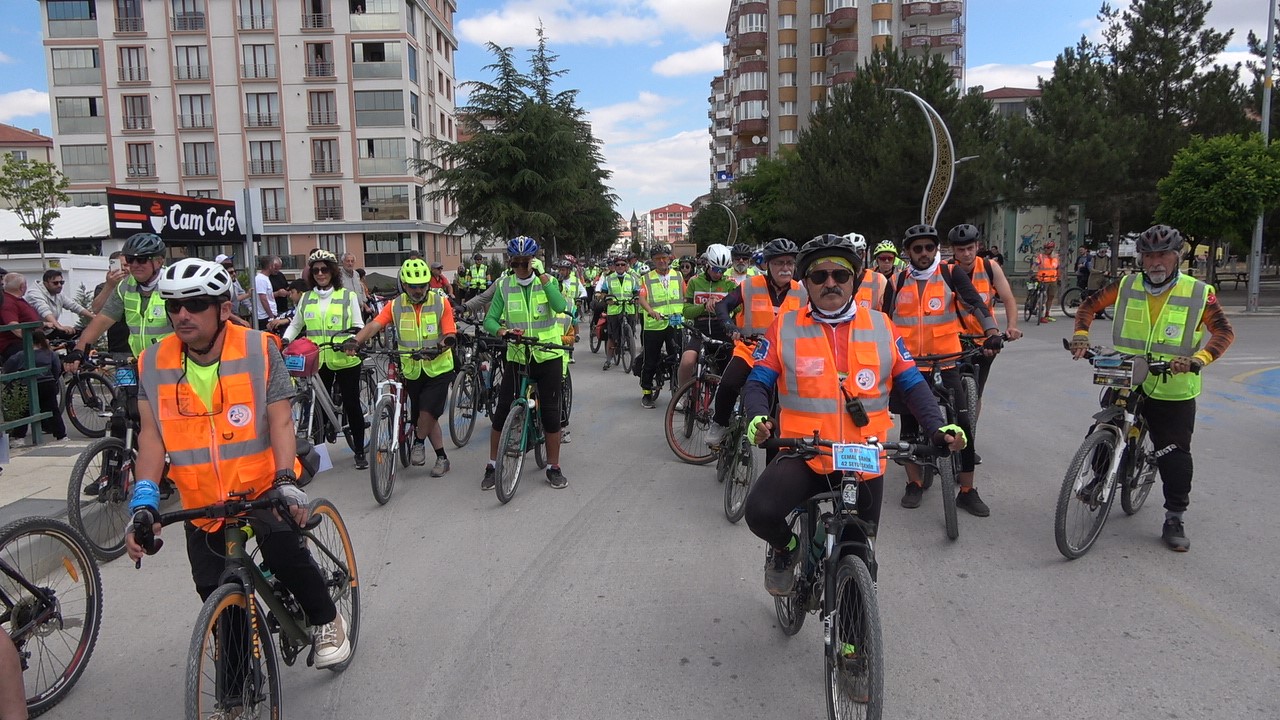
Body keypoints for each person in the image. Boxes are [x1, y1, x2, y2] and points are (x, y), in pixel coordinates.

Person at [124, 257, 350, 673]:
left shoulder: (259, 348)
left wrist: (285, 480)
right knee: (214, 589)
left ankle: (327, 620)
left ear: (224, 309)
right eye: (173, 306)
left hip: (263, 484)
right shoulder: (152, 363)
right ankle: (235, 694)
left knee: (284, 552)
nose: (182, 315)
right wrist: (144, 501)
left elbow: (280, 420)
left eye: (194, 304)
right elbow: (151, 437)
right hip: (203, 498)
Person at [741, 233, 965, 595]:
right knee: (760, 512)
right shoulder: (784, 326)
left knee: (859, 555)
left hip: (864, 457)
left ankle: (853, 643)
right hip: (806, 454)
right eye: (819, 276)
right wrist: (756, 416)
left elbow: (912, 385)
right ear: (807, 284)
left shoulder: (881, 326)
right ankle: (787, 550)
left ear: (854, 280)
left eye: (840, 276)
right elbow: (759, 380)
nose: (831, 283)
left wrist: (939, 428)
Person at [1070, 225, 1234, 552]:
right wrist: (1081, 336)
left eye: (1163, 255)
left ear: (1177, 257)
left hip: (1173, 385)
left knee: (1173, 454)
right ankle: (1098, 478)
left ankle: (1175, 516)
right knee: (1104, 427)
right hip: (1126, 373)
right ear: (1142, 258)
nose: (1156, 261)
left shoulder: (1198, 292)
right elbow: (1088, 307)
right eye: (1149, 255)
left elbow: (1223, 333)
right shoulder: (1127, 285)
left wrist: (1198, 359)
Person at [889, 224, 1003, 516]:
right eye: (918, 249)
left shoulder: (951, 274)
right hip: (909, 366)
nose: (924, 253)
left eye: (929, 247)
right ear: (908, 252)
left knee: (962, 424)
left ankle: (967, 490)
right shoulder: (897, 280)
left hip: (946, 362)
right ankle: (914, 482)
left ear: (936, 249)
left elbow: (976, 303)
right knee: (909, 428)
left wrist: (991, 330)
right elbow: (884, 320)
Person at [348, 259, 456, 476]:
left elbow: (450, 334)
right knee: (426, 416)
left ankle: (417, 441)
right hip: (412, 369)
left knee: (427, 411)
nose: (418, 290)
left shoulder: (440, 302)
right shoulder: (396, 305)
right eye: (412, 286)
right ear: (404, 285)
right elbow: (374, 325)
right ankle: (442, 458)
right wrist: (355, 341)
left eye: (422, 285)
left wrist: (440, 346)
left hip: (438, 368)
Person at [481, 236, 568, 490]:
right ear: (510, 262)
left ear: (534, 261)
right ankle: (492, 465)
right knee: (501, 413)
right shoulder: (505, 285)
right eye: (516, 263)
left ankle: (553, 467)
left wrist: (542, 276)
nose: (521, 268)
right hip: (518, 356)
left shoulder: (548, 281)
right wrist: (502, 332)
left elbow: (560, 306)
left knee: (551, 414)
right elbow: (490, 320)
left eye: (526, 262)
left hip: (547, 355)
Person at [706, 238, 806, 447]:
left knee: (778, 407)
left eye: (789, 263)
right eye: (779, 263)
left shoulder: (803, 293)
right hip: (749, 349)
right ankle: (720, 423)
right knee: (729, 383)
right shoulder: (750, 286)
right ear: (768, 264)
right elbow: (723, 305)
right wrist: (729, 326)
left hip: (784, 357)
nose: (785, 268)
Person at [281, 250, 368, 470]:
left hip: (345, 359)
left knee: (352, 403)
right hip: (318, 361)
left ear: (333, 271)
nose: (320, 273)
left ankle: (359, 451)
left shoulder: (347, 296)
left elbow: (358, 326)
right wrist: (285, 340)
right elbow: (296, 324)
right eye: (316, 270)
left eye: (325, 269)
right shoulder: (307, 298)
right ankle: (320, 460)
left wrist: (350, 341)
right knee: (317, 408)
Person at [947, 224, 1022, 400]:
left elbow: (1009, 299)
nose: (966, 253)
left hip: (984, 339)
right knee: (950, 393)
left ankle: (971, 427)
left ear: (977, 246)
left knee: (976, 394)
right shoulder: (945, 270)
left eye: (970, 248)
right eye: (961, 249)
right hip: (953, 340)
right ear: (953, 251)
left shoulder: (990, 267)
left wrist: (1012, 326)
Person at [677, 243, 736, 390]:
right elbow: (687, 311)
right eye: (716, 269)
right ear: (708, 265)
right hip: (700, 329)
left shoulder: (730, 283)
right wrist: (703, 307)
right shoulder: (694, 281)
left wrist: (721, 305)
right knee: (687, 361)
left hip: (721, 330)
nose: (718, 274)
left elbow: (739, 308)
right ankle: (682, 393)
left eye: (722, 270)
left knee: (730, 368)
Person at [637, 243, 685, 408]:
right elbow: (642, 297)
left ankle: (678, 393)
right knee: (650, 360)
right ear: (653, 260)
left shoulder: (678, 276)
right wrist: (650, 310)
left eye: (664, 258)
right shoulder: (646, 278)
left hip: (675, 324)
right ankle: (647, 393)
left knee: (677, 359)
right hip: (654, 325)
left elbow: (686, 296)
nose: (662, 261)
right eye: (658, 259)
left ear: (669, 258)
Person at [2, 329, 66, 440]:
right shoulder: (50, 353)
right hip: (47, 384)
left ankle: (19, 437)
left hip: (27, 386)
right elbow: (57, 368)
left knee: (23, 412)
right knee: (53, 411)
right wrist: (53, 380)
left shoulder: (21, 355)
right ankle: (61, 435)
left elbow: (8, 368)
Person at [596, 256, 641, 371]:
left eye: (622, 264)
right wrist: (607, 299)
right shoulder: (609, 278)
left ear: (626, 266)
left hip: (629, 309)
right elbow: (603, 294)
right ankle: (609, 360)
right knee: (611, 336)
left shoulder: (631, 279)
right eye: (618, 265)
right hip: (614, 311)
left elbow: (637, 292)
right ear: (614, 267)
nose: (620, 266)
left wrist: (636, 298)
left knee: (630, 334)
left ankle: (632, 360)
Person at [26, 268, 94, 338]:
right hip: (33, 334)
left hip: (49, 330)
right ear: (45, 283)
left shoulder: (57, 292)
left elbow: (73, 306)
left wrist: (93, 317)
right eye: (55, 283)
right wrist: (59, 326)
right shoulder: (34, 293)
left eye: (61, 282)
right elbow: (44, 310)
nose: (59, 285)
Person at [92, 250, 134, 354]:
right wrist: (110, 286)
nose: (123, 269)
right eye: (119, 266)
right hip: (119, 348)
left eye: (126, 265)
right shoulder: (103, 287)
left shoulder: (139, 287)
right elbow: (97, 309)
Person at [0, 274, 44, 363]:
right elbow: (14, 326)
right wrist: (34, 342)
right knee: (43, 359)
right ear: (22, 287)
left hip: (29, 339)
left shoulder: (16, 299)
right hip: (16, 344)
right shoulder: (8, 303)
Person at [1032, 240, 1060, 322]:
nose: (1046, 249)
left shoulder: (1056, 257)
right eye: (1045, 248)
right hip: (1043, 279)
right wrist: (1031, 270)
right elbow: (1035, 264)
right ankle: (1040, 315)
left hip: (1053, 279)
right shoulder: (1041, 256)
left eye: (1048, 248)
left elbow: (1057, 268)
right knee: (1042, 297)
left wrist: (1059, 278)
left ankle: (1047, 314)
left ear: (1052, 249)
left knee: (1051, 297)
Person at [216, 254, 251, 319]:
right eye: (226, 261)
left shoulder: (234, 280)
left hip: (235, 314)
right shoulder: (219, 285)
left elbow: (239, 295)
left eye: (234, 272)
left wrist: (250, 307)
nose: (230, 262)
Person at [340, 253, 373, 318]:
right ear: (342, 262)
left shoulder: (356, 274)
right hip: (345, 311)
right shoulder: (338, 276)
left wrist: (365, 307)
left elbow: (360, 292)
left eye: (352, 261)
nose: (350, 263)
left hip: (359, 310)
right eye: (348, 261)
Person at [254, 255, 279, 331]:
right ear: (270, 266)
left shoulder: (265, 278)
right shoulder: (261, 279)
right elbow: (263, 299)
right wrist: (271, 316)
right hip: (264, 316)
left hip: (269, 314)